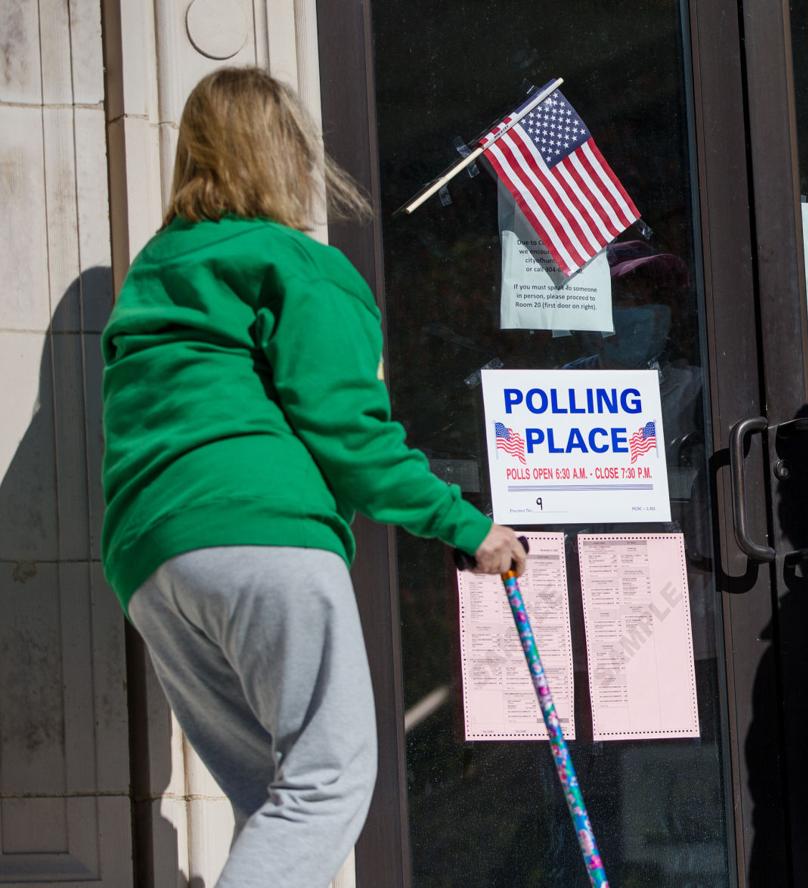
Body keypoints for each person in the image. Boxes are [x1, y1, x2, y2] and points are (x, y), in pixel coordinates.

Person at [101, 67, 527, 888]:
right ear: (287, 157)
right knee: (327, 785)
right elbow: (348, 432)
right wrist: (467, 525)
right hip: (264, 537)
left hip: (153, 562)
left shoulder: (154, 276)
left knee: (273, 799)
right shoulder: (297, 264)